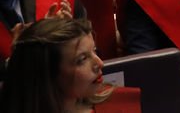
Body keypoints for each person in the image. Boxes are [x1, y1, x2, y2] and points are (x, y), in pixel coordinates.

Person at [0, 16, 143, 113]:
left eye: (94, 51)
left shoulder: (121, 103)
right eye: (82, 59)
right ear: (47, 74)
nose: (99, 63)